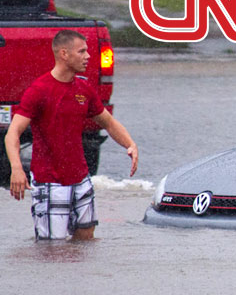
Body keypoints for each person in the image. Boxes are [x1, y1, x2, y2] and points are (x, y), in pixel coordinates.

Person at [4, 29, 138, 241]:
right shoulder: (39, 90)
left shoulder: (84, 88)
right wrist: (17, 169)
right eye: (82, 51)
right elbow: (13, 133)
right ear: (64, 54)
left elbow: (109, 123)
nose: (88, 56)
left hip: (80, 177)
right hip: (50, 181)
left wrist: (130, 144)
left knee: (86, 237)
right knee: (52, 248)